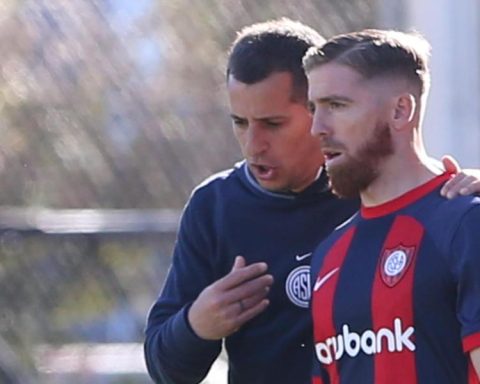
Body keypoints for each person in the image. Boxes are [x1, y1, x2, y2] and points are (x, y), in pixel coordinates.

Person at [144, 19, 479, 384]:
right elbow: (166, 368)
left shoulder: (420, 207)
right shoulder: (217, 208)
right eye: (240, 122)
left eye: (273, 123)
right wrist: (197, 324)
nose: (253, 144)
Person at [304, 29, 480, 383]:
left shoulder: (466, 224)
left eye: (337, 106)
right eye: (314, 108)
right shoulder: (328, 255)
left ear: (401, 110)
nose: (316, 128)